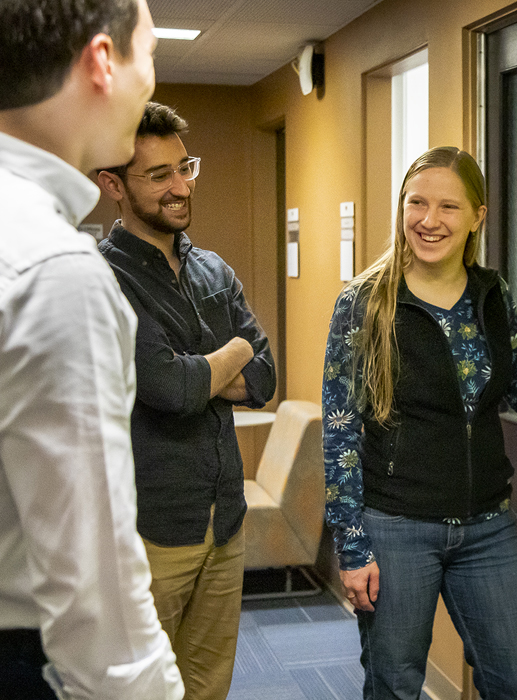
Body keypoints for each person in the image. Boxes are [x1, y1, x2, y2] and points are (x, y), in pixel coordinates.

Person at [322, 146, 517, 700]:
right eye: (416, 203)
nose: (429, 221)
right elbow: (340, 433)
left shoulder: (491, 294)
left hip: (487, 527)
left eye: (448, 207)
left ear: (477, 216)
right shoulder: (364, 303)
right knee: (394, 684)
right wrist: (352, 548)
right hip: (396, 526)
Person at [0, 2, 186, 699]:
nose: (150, 84)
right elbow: (94, 601)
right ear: (104, 63)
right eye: (150, 56)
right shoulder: (54, 271)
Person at [96, 101, 276, 700]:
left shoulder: (214, 271)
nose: (182, 186)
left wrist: (201, 369)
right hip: (149, 531)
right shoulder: (102, 279)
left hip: (224, 523)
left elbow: (267, 377)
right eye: (159, 175)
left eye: (185, 167)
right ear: (113, 186)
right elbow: (169, 391)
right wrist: (233, 353)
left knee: (207, 687)